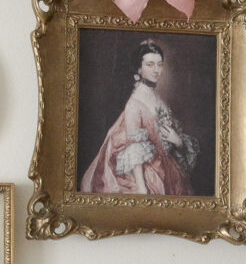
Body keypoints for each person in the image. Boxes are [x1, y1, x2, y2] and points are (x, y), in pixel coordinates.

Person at [81, 39, 199, 195]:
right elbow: (134, 148)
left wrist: (177, 140)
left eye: (159, 64)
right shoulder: (134, 104)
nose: (156, 70)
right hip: (147, 173)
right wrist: (142, 189)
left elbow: (167, 133)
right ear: (139, 68)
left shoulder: (155, 96)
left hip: (166, 165)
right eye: (150, 65)